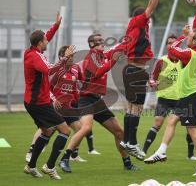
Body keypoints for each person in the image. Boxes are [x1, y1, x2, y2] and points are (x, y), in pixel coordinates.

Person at [144, 0, 196, 176]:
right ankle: (161, 151)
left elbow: (173, 49)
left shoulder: (189, 54)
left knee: (192, 130)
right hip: (188, 95)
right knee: (172, 121)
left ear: (194, 42)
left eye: (190, 37)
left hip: (190, 96)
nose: (188, 36)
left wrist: (181, 37)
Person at [108, 0, 168, 161]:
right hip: (136, 70)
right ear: (140, 17)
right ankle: (131, 142)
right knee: (137, 108)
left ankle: (128, 141)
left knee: (131, 107)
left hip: (132, 70)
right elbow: (151, 6)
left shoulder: (134, 28)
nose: (148, 20)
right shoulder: (138, 21)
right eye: (147, 18)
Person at [59, 34, 138, 173]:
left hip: (97, 100)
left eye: (102, 40)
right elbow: (99, 71)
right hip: (86, 99)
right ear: (91, 45)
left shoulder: (103, 55)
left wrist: (131, 38)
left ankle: (127, 164)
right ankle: (64, 159)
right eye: (99, 41)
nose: (103, 42)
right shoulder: (91, 57)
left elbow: (117, 49)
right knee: (86, 128)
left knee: (119, 132)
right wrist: (113, 60)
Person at [25, 46, 100, 164]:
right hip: (56, 106)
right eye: (68, 56)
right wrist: (54, 100)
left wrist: (80, 95)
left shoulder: (75, 68)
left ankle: (73, 155)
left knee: (80, 129)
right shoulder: (57, 71)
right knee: (48, 129)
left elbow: (82, 82)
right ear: (61, 57)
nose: (71, 58)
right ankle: (31, 151)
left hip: (69, 107)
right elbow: (47, 88)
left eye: (72, 56)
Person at [23, 13, 74, 180]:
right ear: (39, 43)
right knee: (65, 130)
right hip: (38, 102)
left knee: (47, 131)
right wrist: (65, 58)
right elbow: (50, 70)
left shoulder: (31, 52)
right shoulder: (35, 57)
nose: (47, 41)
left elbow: (46, 37)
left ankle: (31, 166)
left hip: (35, 101)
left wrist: (56, 26)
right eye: (45, 40)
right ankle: (50, 166)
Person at [142, 34, 196, 161]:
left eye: (173, 42)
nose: (171, 44)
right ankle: (144, 151)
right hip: (164, 99)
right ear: (167, 46)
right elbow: (152, 77)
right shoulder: (162, 61)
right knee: (157, 123)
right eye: (169, 42)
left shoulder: (184, 61)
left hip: (180, 99)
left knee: (190, 126)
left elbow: (190, 78)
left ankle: (190, 155)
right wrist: (152, 83)